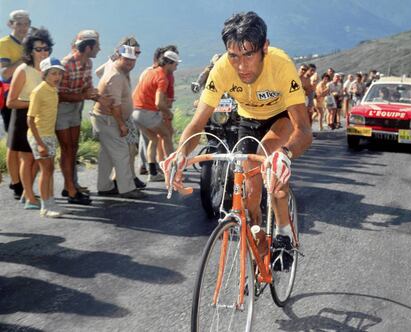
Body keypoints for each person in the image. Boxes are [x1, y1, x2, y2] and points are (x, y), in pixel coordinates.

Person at [162, 12, 312, 268]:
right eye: (234, 56)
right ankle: (259, 249)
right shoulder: (221, 69)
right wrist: (180, 154)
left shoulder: (281, 65)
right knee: (249, 192)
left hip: (280, 119)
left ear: (264, 47)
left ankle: (284, 233)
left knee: (272, 169)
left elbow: (304, 131)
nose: (241, 66)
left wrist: (285, 155)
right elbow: (197, 123)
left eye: (249, 55)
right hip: (248, 120)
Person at [57, 30, 109, 205]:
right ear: (88, 48)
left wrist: (97, 97)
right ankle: (71, 190)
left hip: (75, 107)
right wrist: (84, 96)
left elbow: (87, 88)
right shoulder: (66, 64)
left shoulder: (87, 64)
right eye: (97, 46)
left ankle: (70, 185)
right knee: (66, 148)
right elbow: (58, 95)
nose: (99, 49)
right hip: (62, 109)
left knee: (73, 147)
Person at [6, 28, 53, 208]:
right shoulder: (23, 70)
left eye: (46, 48)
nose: (43, 52)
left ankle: (28, 193)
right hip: (22, 118)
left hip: (42, 119)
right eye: (38, 49)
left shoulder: (48, 70)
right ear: (30, 51)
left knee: (37, 158)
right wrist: (34, 104)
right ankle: (30, 199)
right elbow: (11, 102)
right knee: (27, 159)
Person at [91, 45, 146, 199]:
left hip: (104, 119)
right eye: (127, 60)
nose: (130, 63)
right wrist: (122, 124)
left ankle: (104, 187)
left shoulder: (118, 71)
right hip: (109, 119)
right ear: (119, 58)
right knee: (122, 153)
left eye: (133, 60)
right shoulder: (115, 76)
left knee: (107, 156)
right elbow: (115, 104)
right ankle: (127, 189)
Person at [27, 57, 66, 218]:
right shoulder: (39, 91)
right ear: (44, 74)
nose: (57, 77)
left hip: (48, 135)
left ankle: (51, 203)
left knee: (49, 170)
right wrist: (40, 143)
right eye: (53, 74)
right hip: (39, 136)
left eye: (59, 73)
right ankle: (45, 207)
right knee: (46, 170)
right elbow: (30, 119)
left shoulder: (53, 89)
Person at [131, 50, 178, 182]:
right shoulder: (162, 77)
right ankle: (172, 170)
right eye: (175, 64)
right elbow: (158, 103)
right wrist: (168, 113)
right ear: (169, 63)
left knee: (153, 139)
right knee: (167, 135)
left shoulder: (150, 71)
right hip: (146, 112)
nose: (176, 67)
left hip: (134, 112)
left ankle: (152, 172)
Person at [0, 10, 31, 199]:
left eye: (26, 23)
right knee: (13, 143)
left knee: (24, 143)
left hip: (27, 98)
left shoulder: (29, 43)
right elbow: (4, 73)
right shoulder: (4, 44)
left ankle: (23, 182)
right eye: (19, 23)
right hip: (9, 98)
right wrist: (24, 59)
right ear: (10, 24)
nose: (23, 27)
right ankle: (16, 184)